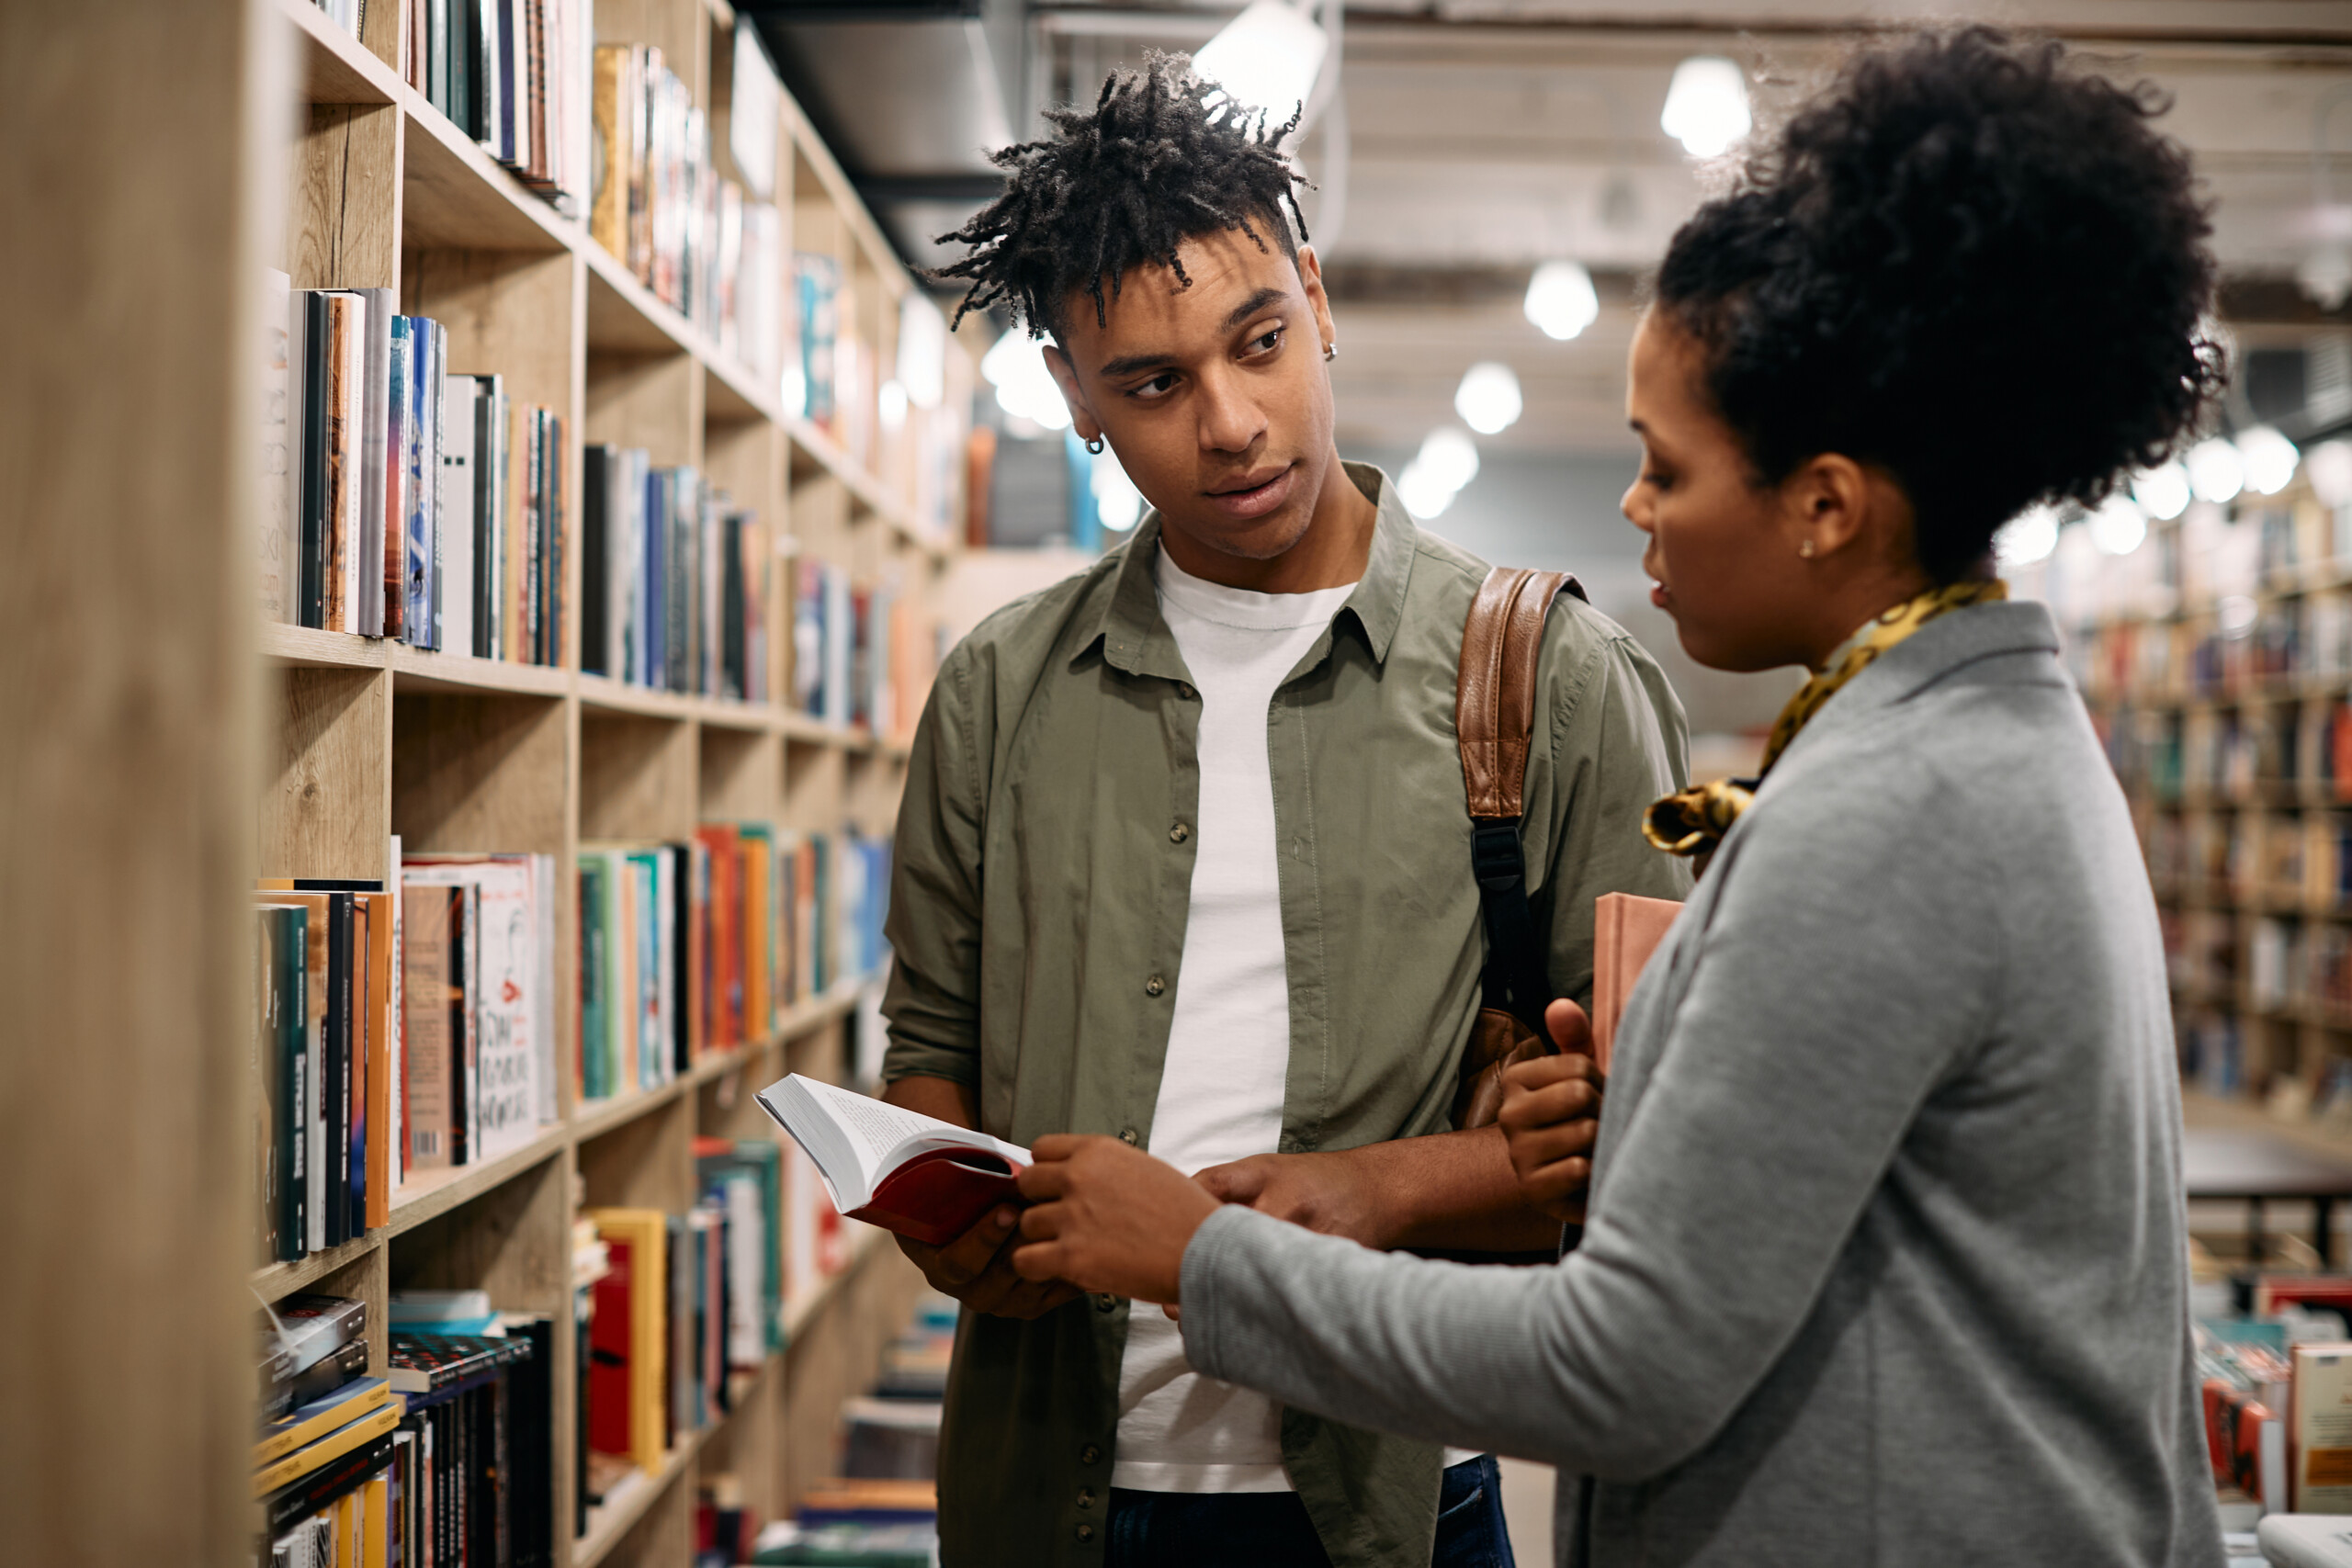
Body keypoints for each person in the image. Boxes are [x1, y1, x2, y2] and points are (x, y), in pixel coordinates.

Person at [1007, 28, 2231, 1568]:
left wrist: (1205, 1261)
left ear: (1827, 505)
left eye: (1668, 467)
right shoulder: (1983, 737)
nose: (1634, 507)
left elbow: (1622, 1366)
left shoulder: (1898, 808)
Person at [879, 51, 1691, 1568]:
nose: (1234, 421)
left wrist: (1372, 1191)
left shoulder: (1552, 676)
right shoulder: (999, 689)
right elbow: (929, 1047)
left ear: (1315, 297)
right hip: (1043, 1492)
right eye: (1153, 384)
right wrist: (959, 1224)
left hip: (1389, 1493)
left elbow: (1661, 1120)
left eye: (1260, 343)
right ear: (1073, 395)